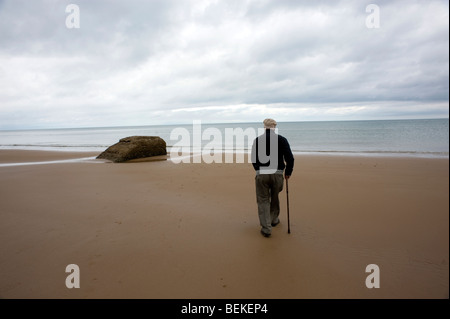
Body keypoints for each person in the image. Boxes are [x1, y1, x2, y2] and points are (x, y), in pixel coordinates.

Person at [251, 119, 294, 238]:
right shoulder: (282, 139)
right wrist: (288, 172)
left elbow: (253, 158)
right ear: (274, 127)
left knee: (263, 199)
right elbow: (290, 158)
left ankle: (266, 228)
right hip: (278, 173)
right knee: (275, 196)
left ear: (264, 127)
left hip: (262, 173)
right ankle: (274, 219)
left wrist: (258, 170)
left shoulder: (258, 140)